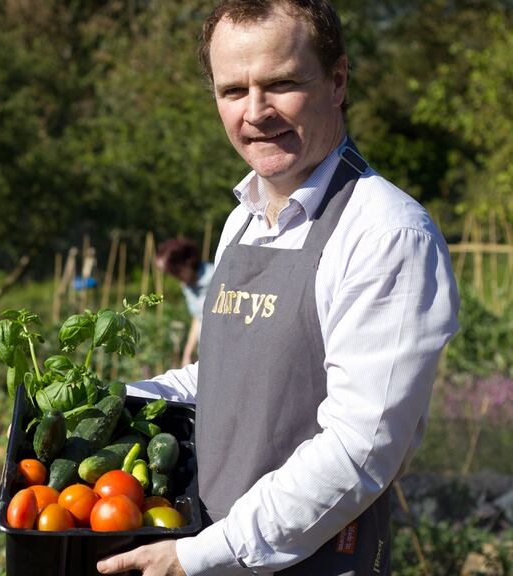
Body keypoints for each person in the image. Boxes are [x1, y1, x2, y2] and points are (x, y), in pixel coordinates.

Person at [98, 1, 460, 575]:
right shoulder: (243, 219)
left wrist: (200, 556)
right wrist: (107, 403)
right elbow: (230, 376)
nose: (255, 112)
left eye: (281, 84)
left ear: (337, 81)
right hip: (209, 546)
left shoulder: (386, 233)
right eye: (232, 91)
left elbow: (360, 449)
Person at [155, 238, 215, 366]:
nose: (174, 277)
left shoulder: (215, 277)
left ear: (187, 262)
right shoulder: (187, 285)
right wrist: (187, 354)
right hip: (205, 352)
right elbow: (198, 318)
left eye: (174, 271)